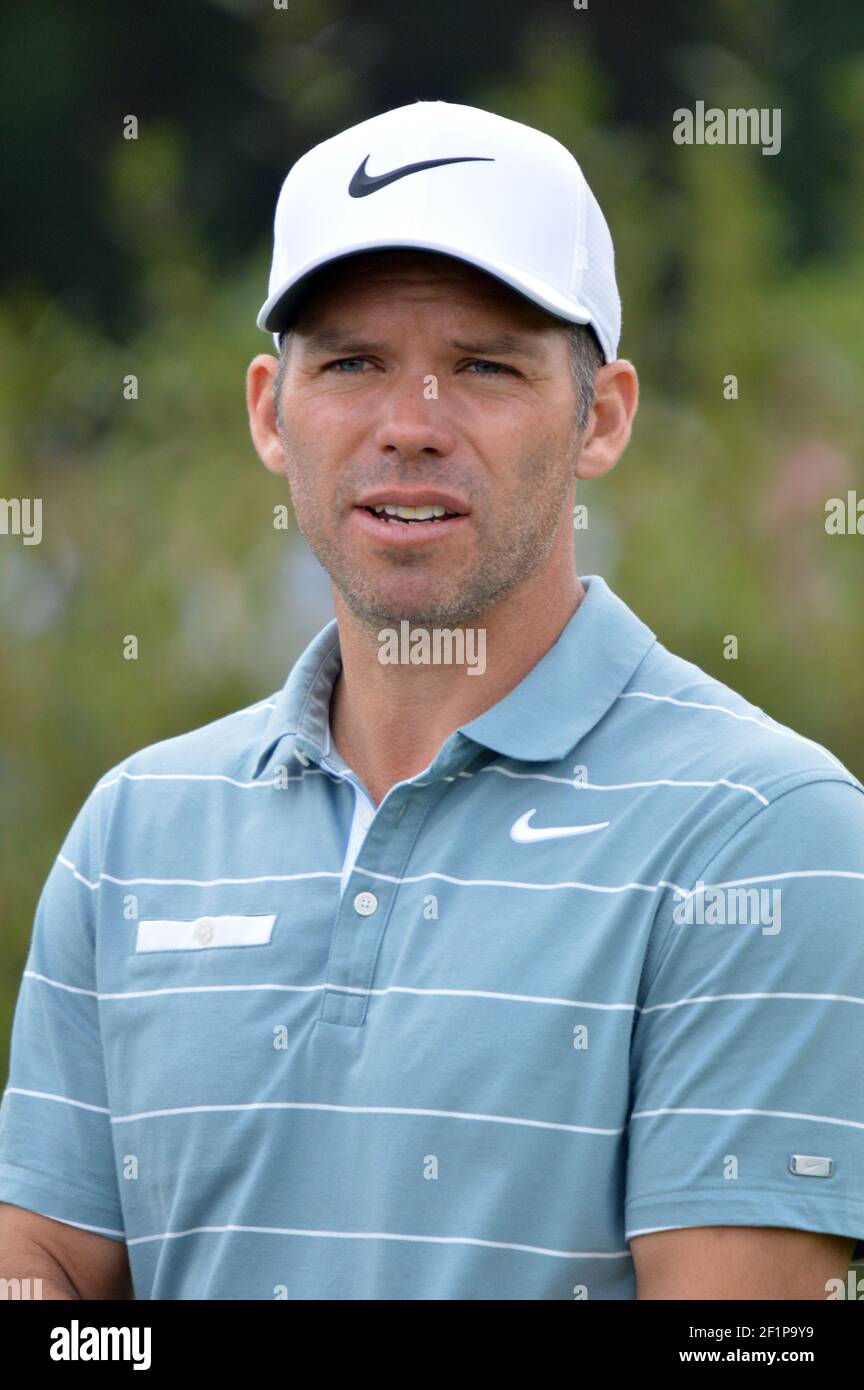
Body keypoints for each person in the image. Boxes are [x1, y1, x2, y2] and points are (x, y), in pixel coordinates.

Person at [1, 100, 863, 1302]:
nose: (410, 427)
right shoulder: (133, 832)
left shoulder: (769, 832)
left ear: (600, 417)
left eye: (485, 366)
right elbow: (44, 1271)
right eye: (352, 363)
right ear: (269, 410)